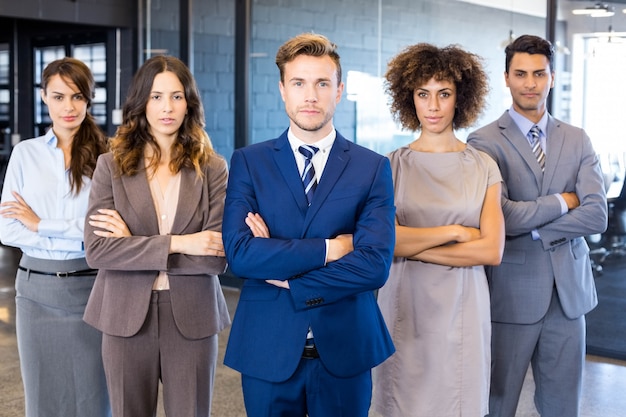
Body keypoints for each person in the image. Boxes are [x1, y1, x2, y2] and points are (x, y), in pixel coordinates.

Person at [221, 32, 396, 417]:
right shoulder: (250, 163)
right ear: (283, 89)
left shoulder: (372, 167)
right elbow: (241, 255)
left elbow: (374, 265)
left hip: (346, 349)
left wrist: (288, 275)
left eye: (322, 83)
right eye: (299, 83)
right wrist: (331, 249)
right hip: (267, 348)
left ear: (339, 90)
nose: (310, 96)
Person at [467, 34, 607, 417]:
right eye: (521, 74)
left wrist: (537, 229)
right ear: (507, 78)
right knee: (498, 403)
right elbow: (502, 216)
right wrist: (563, 201)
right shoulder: (483, 141)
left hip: (569, 295)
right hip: (510, 296)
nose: (530, 83)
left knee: (563, 407)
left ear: (551, 76)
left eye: (538, 73)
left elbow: (597, 214)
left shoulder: (577, 140)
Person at [82, 55, 231, 417]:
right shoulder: (111, 165)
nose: (167, 107)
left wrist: (131, 241)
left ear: (189, 103)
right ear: (141, 102)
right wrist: (181, 242)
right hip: (124, 315)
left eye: (177, 97)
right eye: (157, 96)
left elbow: (214, 256)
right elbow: (99, 251)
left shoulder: (212, 168)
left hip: (193, 315)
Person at [371, 43, 505, 417]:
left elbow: (491, 250)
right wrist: (456, 231)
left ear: (459, 98)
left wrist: (410, 246)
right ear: (408, 98)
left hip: (464, 306)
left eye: (443, 94)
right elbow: (382, 241)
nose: (433, 106)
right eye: (423, 94)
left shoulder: (483, 166)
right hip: (404, 302)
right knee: (400, 399)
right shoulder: (389, 167)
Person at [0, 57, 110, 417]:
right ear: (44, 96)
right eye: (59, 96)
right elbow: (8, 229)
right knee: (43, 397)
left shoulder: (107, 155)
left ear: (88, 100)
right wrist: (75, 230)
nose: (68, 107)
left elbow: (106, 230)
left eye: (77, 97)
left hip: (92, 288)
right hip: (35, 292)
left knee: (96, 393)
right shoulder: (25, 154)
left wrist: (40, 225)